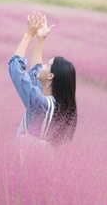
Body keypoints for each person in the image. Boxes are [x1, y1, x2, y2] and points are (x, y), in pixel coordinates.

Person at [8, 11, 77, 148]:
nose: (42, 65)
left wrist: (28, 35)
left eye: (47, 64)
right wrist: (40, 39)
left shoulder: (41, 103)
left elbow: (16, 70)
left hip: (24, 160)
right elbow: (35, 72)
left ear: (51, 76)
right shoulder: (53, 102)